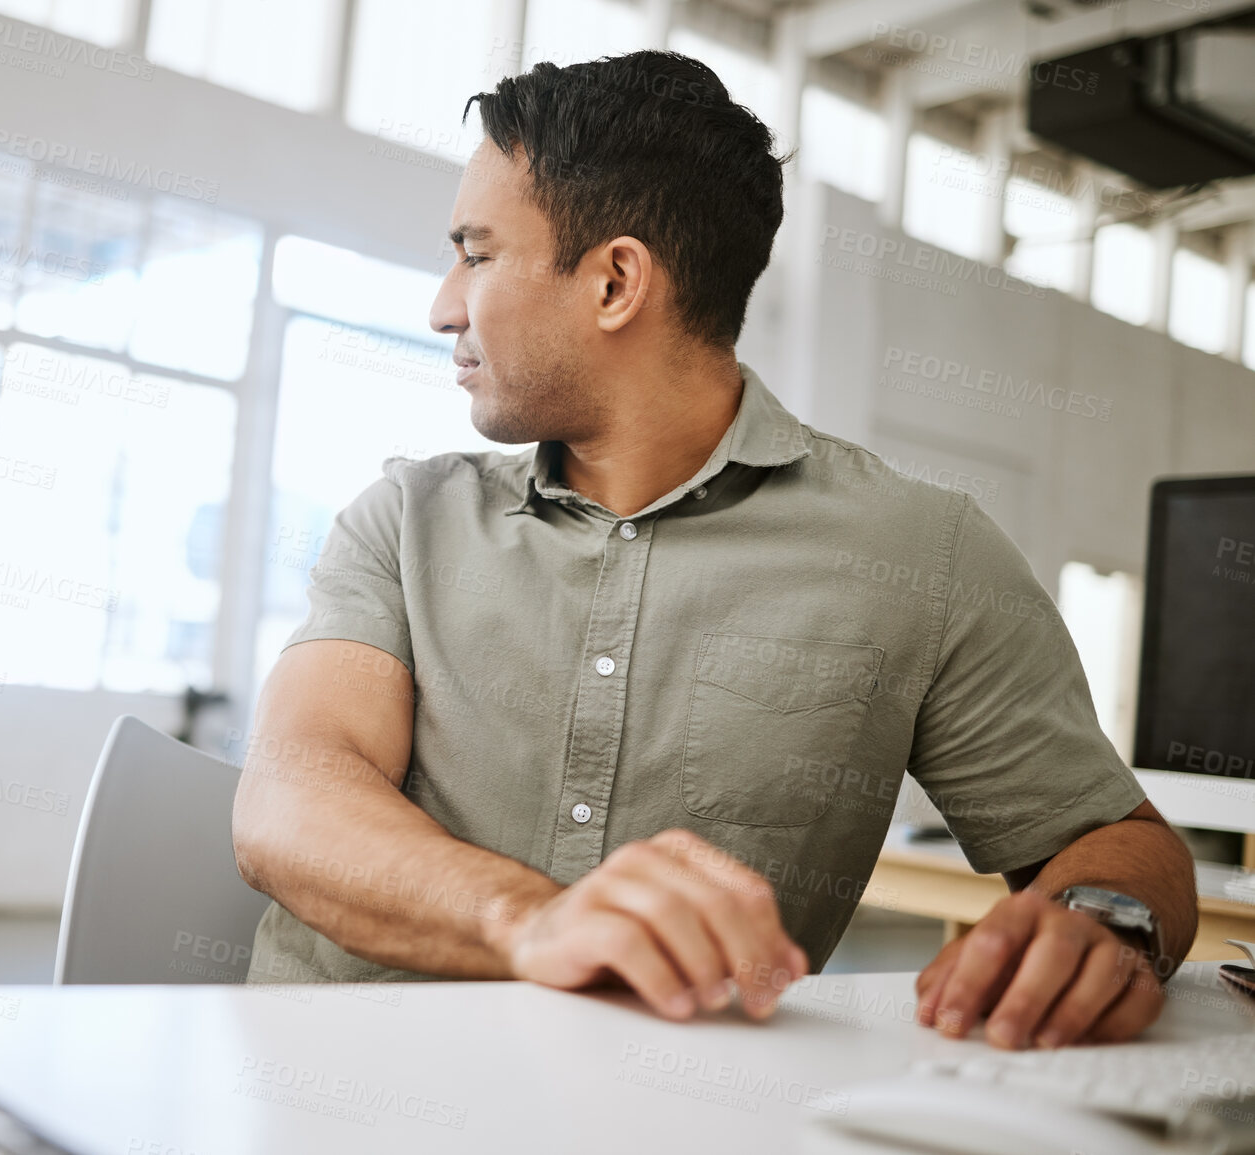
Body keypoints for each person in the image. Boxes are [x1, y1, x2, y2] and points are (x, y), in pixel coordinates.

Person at [232, 50, 1198, 1051]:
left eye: (476, 253)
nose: (443, 304)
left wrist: (1104, 927)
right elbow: (290, 793)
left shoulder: (923, 554)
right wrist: (532, 920)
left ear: (615, 281)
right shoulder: (406, 518)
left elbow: (1120, 842)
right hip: (329, 1096)